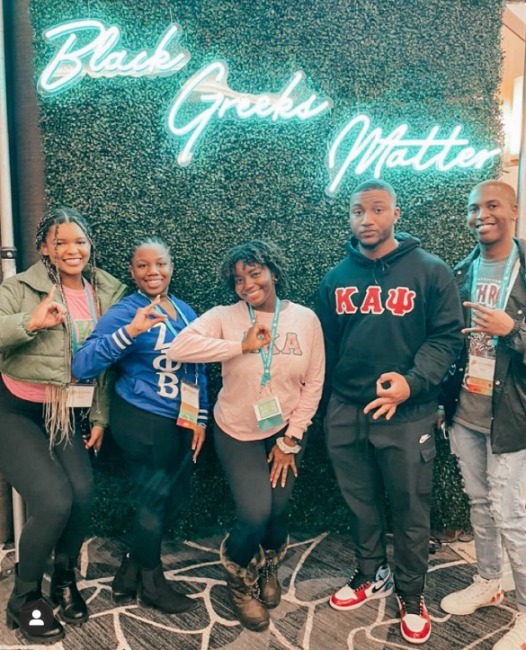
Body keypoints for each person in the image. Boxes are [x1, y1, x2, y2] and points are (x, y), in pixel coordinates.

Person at [317, 179, 464, 645]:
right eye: (358, 211)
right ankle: (368, 573)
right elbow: (329, 347)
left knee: (409, 507)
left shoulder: (431, 271)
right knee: (359, 503)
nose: (367, 219)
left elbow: (446, 339)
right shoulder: (336, 277)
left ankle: (411, 591)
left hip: (408, 413)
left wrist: (412, 383)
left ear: (396, 214)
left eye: (377, 210)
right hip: (347, 411)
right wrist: (331, 408)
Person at [167, 240, 325, 632]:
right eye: (238, 278)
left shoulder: (305, 319)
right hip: (236, 428)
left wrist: (292, 440)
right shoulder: (225, 316)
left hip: (287, 429)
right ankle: (239, 579)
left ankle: (268, 566)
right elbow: (179, 347)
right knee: (254, 514)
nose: (247, 284)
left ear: (273, 271)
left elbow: (314, 382)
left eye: (254, 273)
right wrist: (238, 345)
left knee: (278, 510)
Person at [0, 207, 126, 643]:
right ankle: (25, 597)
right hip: (15, 412)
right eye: (61, 242)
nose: (72, 250)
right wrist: (30, 322)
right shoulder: (19, 288)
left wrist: (99, 416)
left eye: (80, 241)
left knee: (83, 495)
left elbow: (106, 365)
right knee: (54, 500)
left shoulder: (105, 292)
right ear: (44, 249)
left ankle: (64, 578)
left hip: (68, 412)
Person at [72, 238, 208, 615]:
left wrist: (200, 417)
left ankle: (130, 569)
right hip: (140, 417)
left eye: (160, 264)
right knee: (153, 500)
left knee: (175, 496)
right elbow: (82, 365)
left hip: (178, 421)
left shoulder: (185, 312)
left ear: (171, 267)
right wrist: (129, 332)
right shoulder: (124, 312)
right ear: (132, 272)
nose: (153, 272)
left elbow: (198, 367)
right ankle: (152, 581)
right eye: (143, 266)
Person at [439, 180, 526, 650]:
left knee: (512, 514)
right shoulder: (462, 271)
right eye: (473, 208)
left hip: (511, 414)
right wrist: (440, 401)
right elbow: (450, 344)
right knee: (479, 503)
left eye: (491, 205)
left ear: (513, 209)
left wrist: (513, 328)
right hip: (465, 412)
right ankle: (489, 580)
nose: (480, 215)